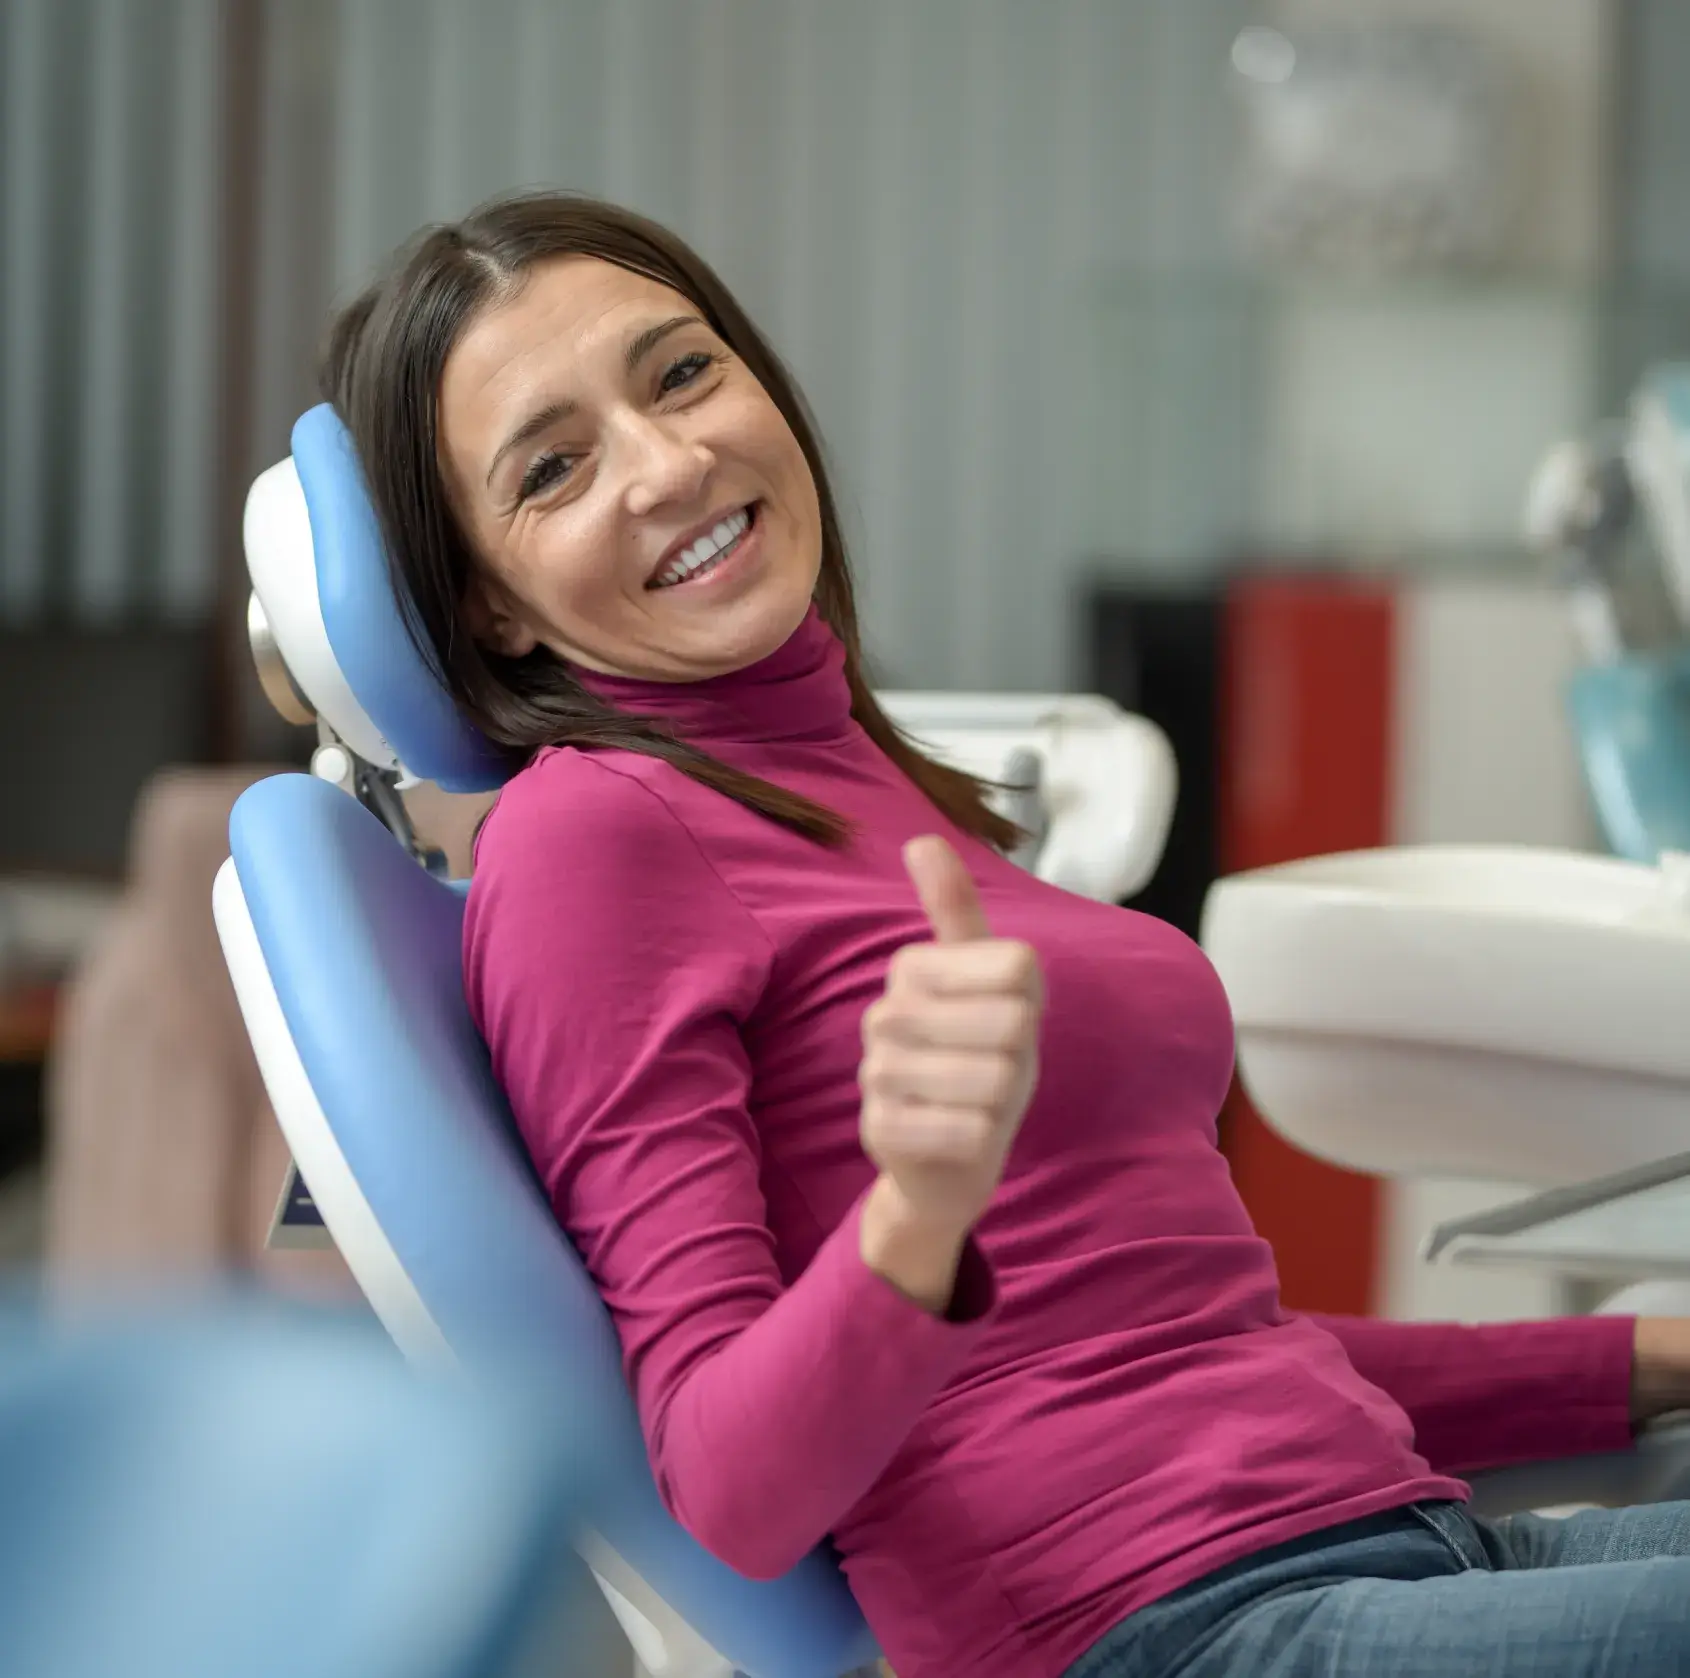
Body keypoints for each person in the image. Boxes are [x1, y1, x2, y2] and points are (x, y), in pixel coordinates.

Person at [321, 189, 1690, 1678]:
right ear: (491, 608)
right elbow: (728, 1492)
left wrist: (1645, 1359)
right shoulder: (598, 837)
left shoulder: (857, 777)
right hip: (1168, 1629)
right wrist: (914, 1213)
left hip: (1379, 1539)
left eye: (681, 372)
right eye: (554, 468)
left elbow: (1188, 1349)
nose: (667, 463)